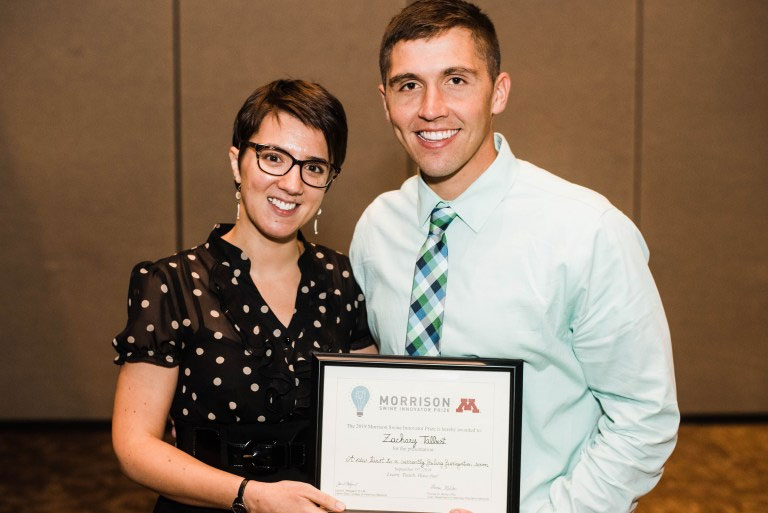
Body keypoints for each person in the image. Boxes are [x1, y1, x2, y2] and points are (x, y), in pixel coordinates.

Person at [350, 1, 680, 511]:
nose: (430, 107)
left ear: (498, 91)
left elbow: (643, 420)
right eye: (409, 85)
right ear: (385, 100)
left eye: (456, 80)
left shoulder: (586, 232)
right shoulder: (377, 229)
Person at [112, 79, 376, 513]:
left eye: (313, 167)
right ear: (237, 163)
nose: (293, 184)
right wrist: (251, 497)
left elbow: (370, 423)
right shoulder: (172, 284)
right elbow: (134, 446)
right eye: (273, 158)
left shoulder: (343, 281)